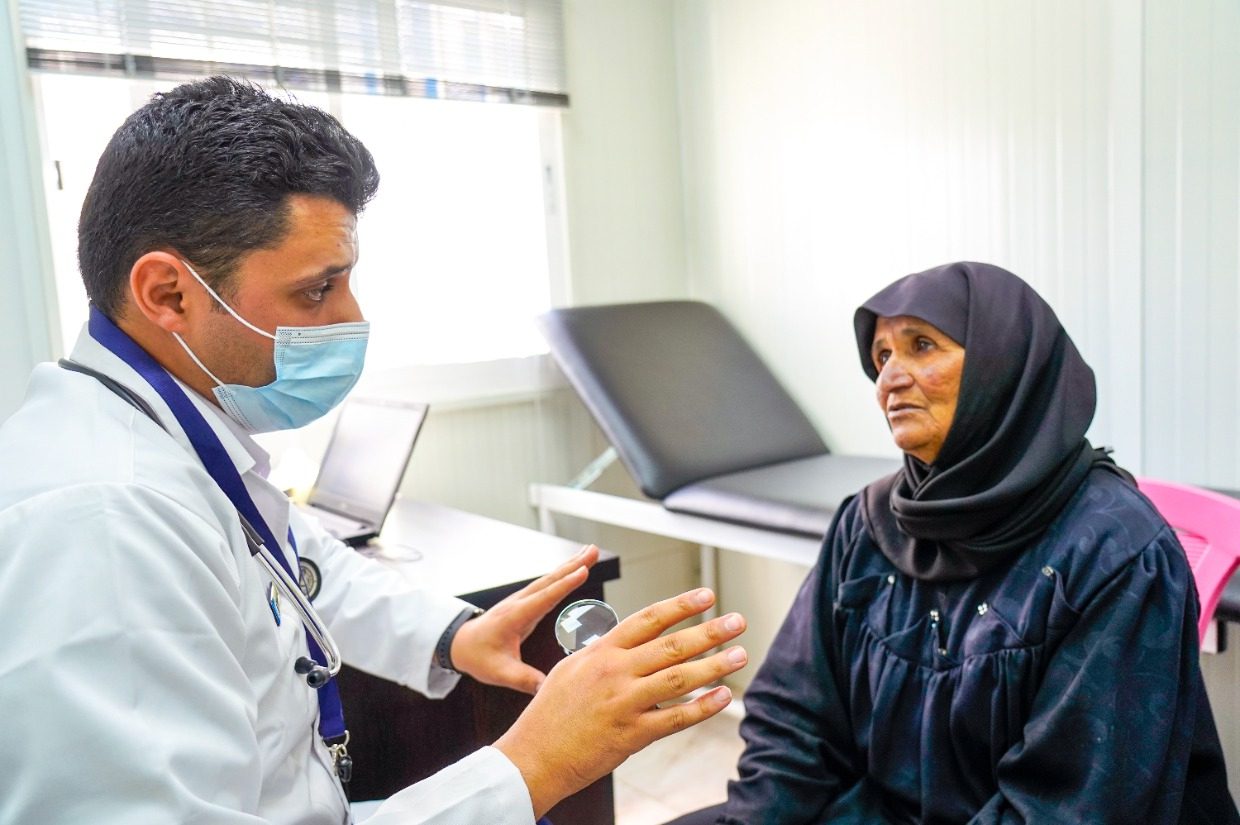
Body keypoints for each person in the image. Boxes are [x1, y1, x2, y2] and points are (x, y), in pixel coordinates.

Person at [0, 76, 750, 824]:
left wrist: (453, 634)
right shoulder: (103, 522)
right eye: (317, 288)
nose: (351, 316)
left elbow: (293, 565)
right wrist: (533, 764)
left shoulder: (164, 438)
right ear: (168, 294)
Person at [673, 262, 1238, 824]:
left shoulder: (1116, 553)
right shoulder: (868, 524)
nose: (890, 378)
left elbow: (1068, 807)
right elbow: (794, 719)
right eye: (882, 357)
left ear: (1004, 365)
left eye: (921, 346)